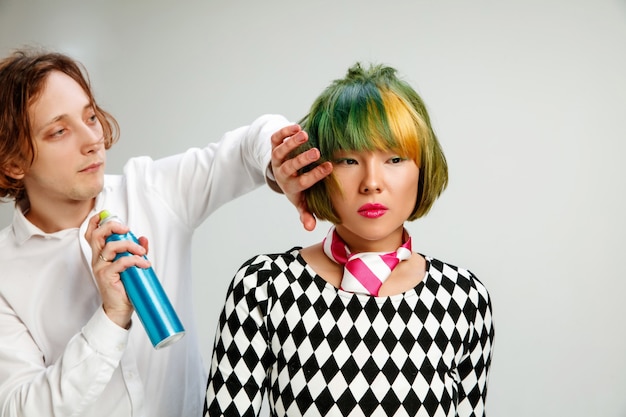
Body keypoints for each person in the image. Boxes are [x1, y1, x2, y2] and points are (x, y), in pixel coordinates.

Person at [0, 48, 331, 417]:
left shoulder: (151, 190)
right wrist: (110, 318)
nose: (92, 139)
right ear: (13, 161)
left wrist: (281, 160)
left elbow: (246, 145)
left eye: (90, 116)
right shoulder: (5, 275)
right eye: (59, 131)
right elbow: (20, 408)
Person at [205, 63, 495, 417]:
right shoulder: (265, 286)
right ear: (316, 169)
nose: (372, 182)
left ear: (423, 168)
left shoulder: (462, 298)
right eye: (347, 159)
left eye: (394, 158)